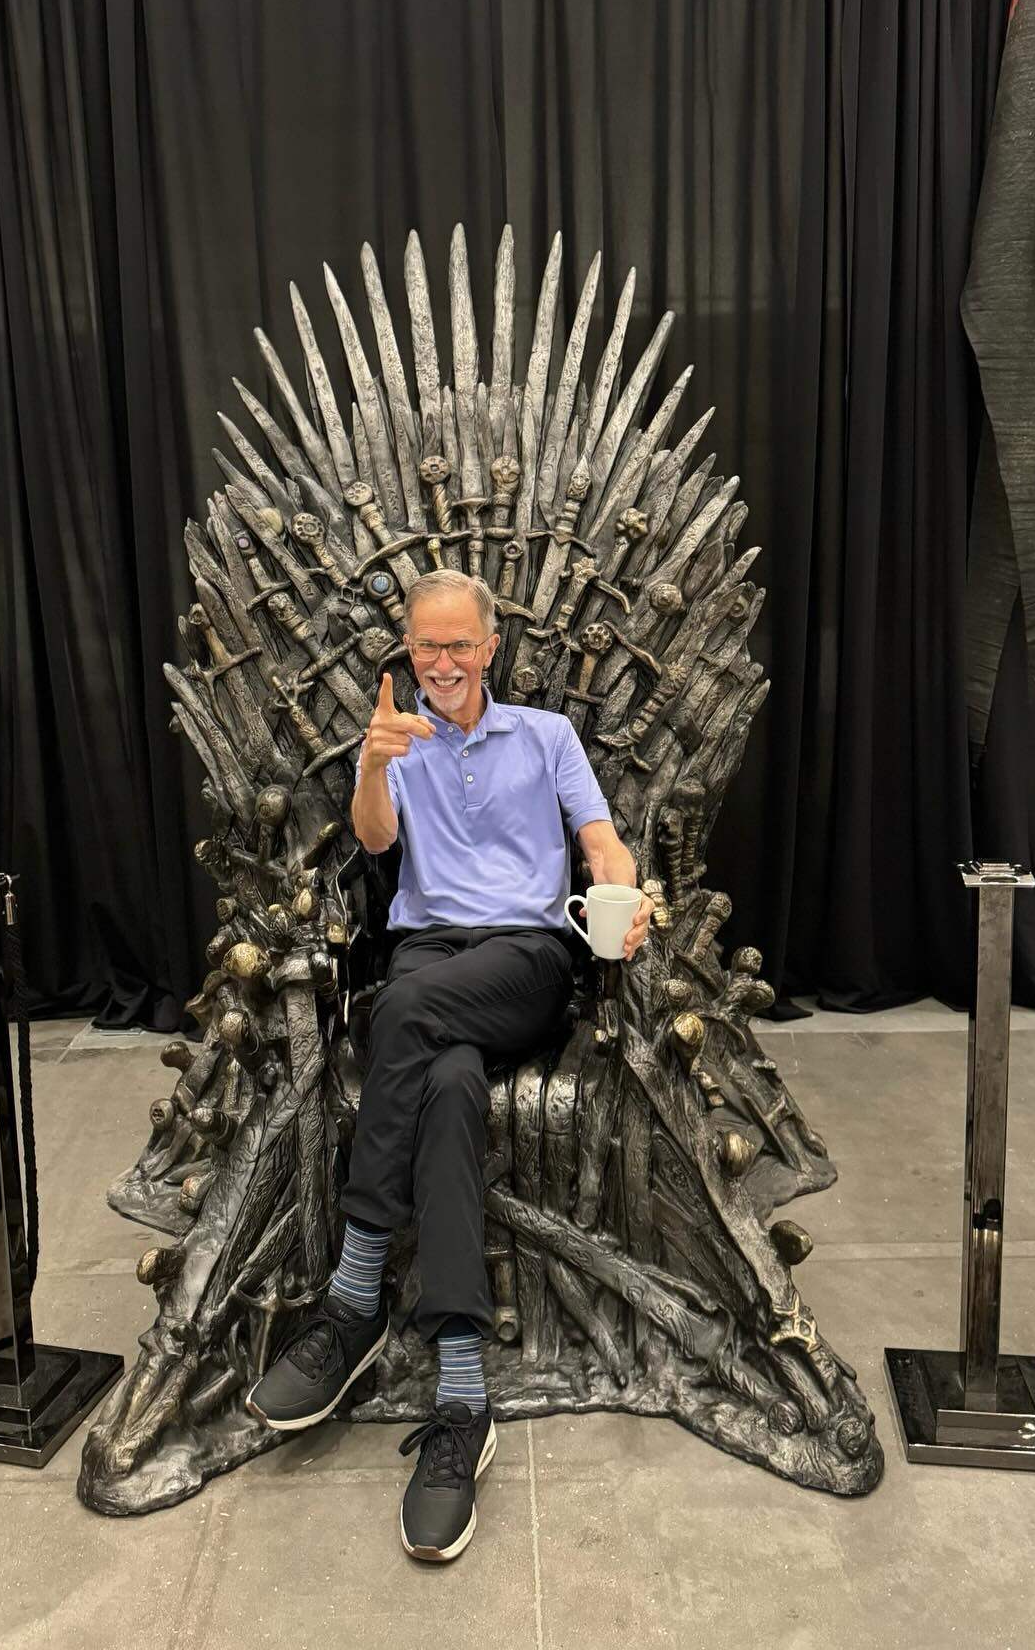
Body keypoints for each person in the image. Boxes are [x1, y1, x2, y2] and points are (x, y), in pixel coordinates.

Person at [244, 569, 652, 1562]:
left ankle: (354, 1296)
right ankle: (465, 1397)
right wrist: (372, 768)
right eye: (426, 647)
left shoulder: (547, 738)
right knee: (449, 1079)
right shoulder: (397, 739)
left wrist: (624, 899)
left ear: (490, 644)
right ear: (408, 649)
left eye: (458, 646)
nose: (442, 663)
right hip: (431, 953)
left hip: (526, 955)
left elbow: (603, 845)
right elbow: (377, 841)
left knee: (406, 1012)